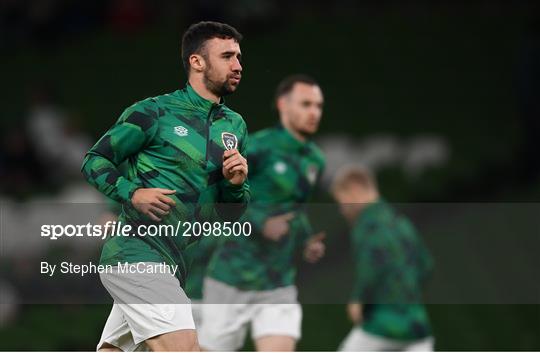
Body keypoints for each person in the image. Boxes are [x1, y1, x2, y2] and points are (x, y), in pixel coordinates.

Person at [81, 21, 249, 352]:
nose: (238, 66)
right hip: (136, 253)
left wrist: (235, 185)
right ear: (197, 62)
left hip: (172, 261)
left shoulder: (235, 125)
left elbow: (232, 212)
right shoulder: (154, 112)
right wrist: (132, 193)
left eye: (239, 57)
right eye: (227, 56)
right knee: (185, 348)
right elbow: (94, 160)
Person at [200, 74, 326, 351]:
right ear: (283, 104)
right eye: (306, 104)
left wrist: (306, 241)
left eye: (318, 106)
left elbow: (296, 211)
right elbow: (220, 197)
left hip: (278, 282)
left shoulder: (315, 160)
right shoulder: (258, 147)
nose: (314, 112)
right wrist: (261, 222)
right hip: (233, 276)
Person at [331, 166, 434, 351]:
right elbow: (426, 266)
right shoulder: (402, 223)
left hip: (383, 325)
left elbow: (373, 266)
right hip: (417, 325)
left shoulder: (366, 225)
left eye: (342, 201)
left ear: (354, 190)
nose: (342, 210)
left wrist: (359, 298)